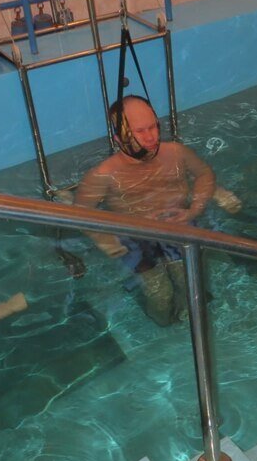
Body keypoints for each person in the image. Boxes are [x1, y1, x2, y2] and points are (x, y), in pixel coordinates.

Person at [74, 95, 216, 326]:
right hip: (135, 237)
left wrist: (194, 209)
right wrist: (105, 240)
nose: (151, 137)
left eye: (153, 127)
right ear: (119, 138)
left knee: (192, 283)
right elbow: (80, 214)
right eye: (140, 131)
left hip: (178, 225)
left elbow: (204, 174)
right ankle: (164, 325)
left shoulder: (176, 153)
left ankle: (190, 317)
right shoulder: (103, 175)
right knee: (160, 294)